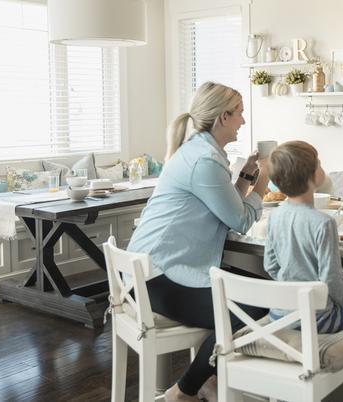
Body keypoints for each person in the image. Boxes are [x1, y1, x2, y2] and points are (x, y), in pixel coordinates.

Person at [127, 82, 270, 402]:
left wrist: (246, 176)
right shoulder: (204, 160)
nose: (243, 121)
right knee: (253, 307)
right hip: (159, 278)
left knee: (266, 291)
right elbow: (241, 220)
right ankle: (183, 390)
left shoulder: (200, 151)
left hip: (157, 269)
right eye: (240, 114)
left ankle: (206, 380)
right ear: (223, 117)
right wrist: (264, 179)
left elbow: (227, 207)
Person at [264, 141, 343, 363]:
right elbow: (331, 280)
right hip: (315, 316)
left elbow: (270, 265)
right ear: (314, 176)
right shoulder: (323, 223)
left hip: (278, 313)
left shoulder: (275, 216)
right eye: (319, 163)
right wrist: (332, 304)